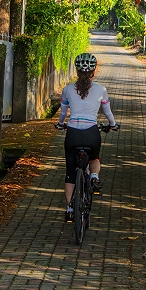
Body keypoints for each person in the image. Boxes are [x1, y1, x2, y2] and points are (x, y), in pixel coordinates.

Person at [55, 52, 118, 222]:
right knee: (94, 158)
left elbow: (62, 113)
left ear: (76, 71)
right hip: (91, 132)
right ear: (93, 71)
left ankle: (69, 208)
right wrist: (113, 125)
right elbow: (108, 112)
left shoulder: (67, 90)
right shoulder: (101, 90)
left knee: (70, 172)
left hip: (73, 133)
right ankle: (95, 177)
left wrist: (61, 124)